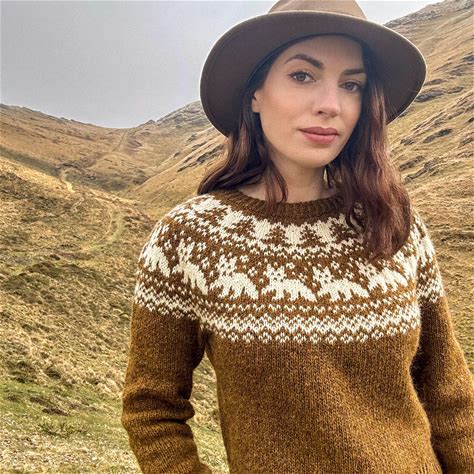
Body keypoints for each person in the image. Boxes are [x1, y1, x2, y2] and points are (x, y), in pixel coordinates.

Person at [121, 0, 474, 473]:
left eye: (351, 84)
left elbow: (449, 395)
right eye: (303, 76)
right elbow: (152, 408)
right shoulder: (191, 238)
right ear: (255, 93)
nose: (331, 104)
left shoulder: (391, 222)